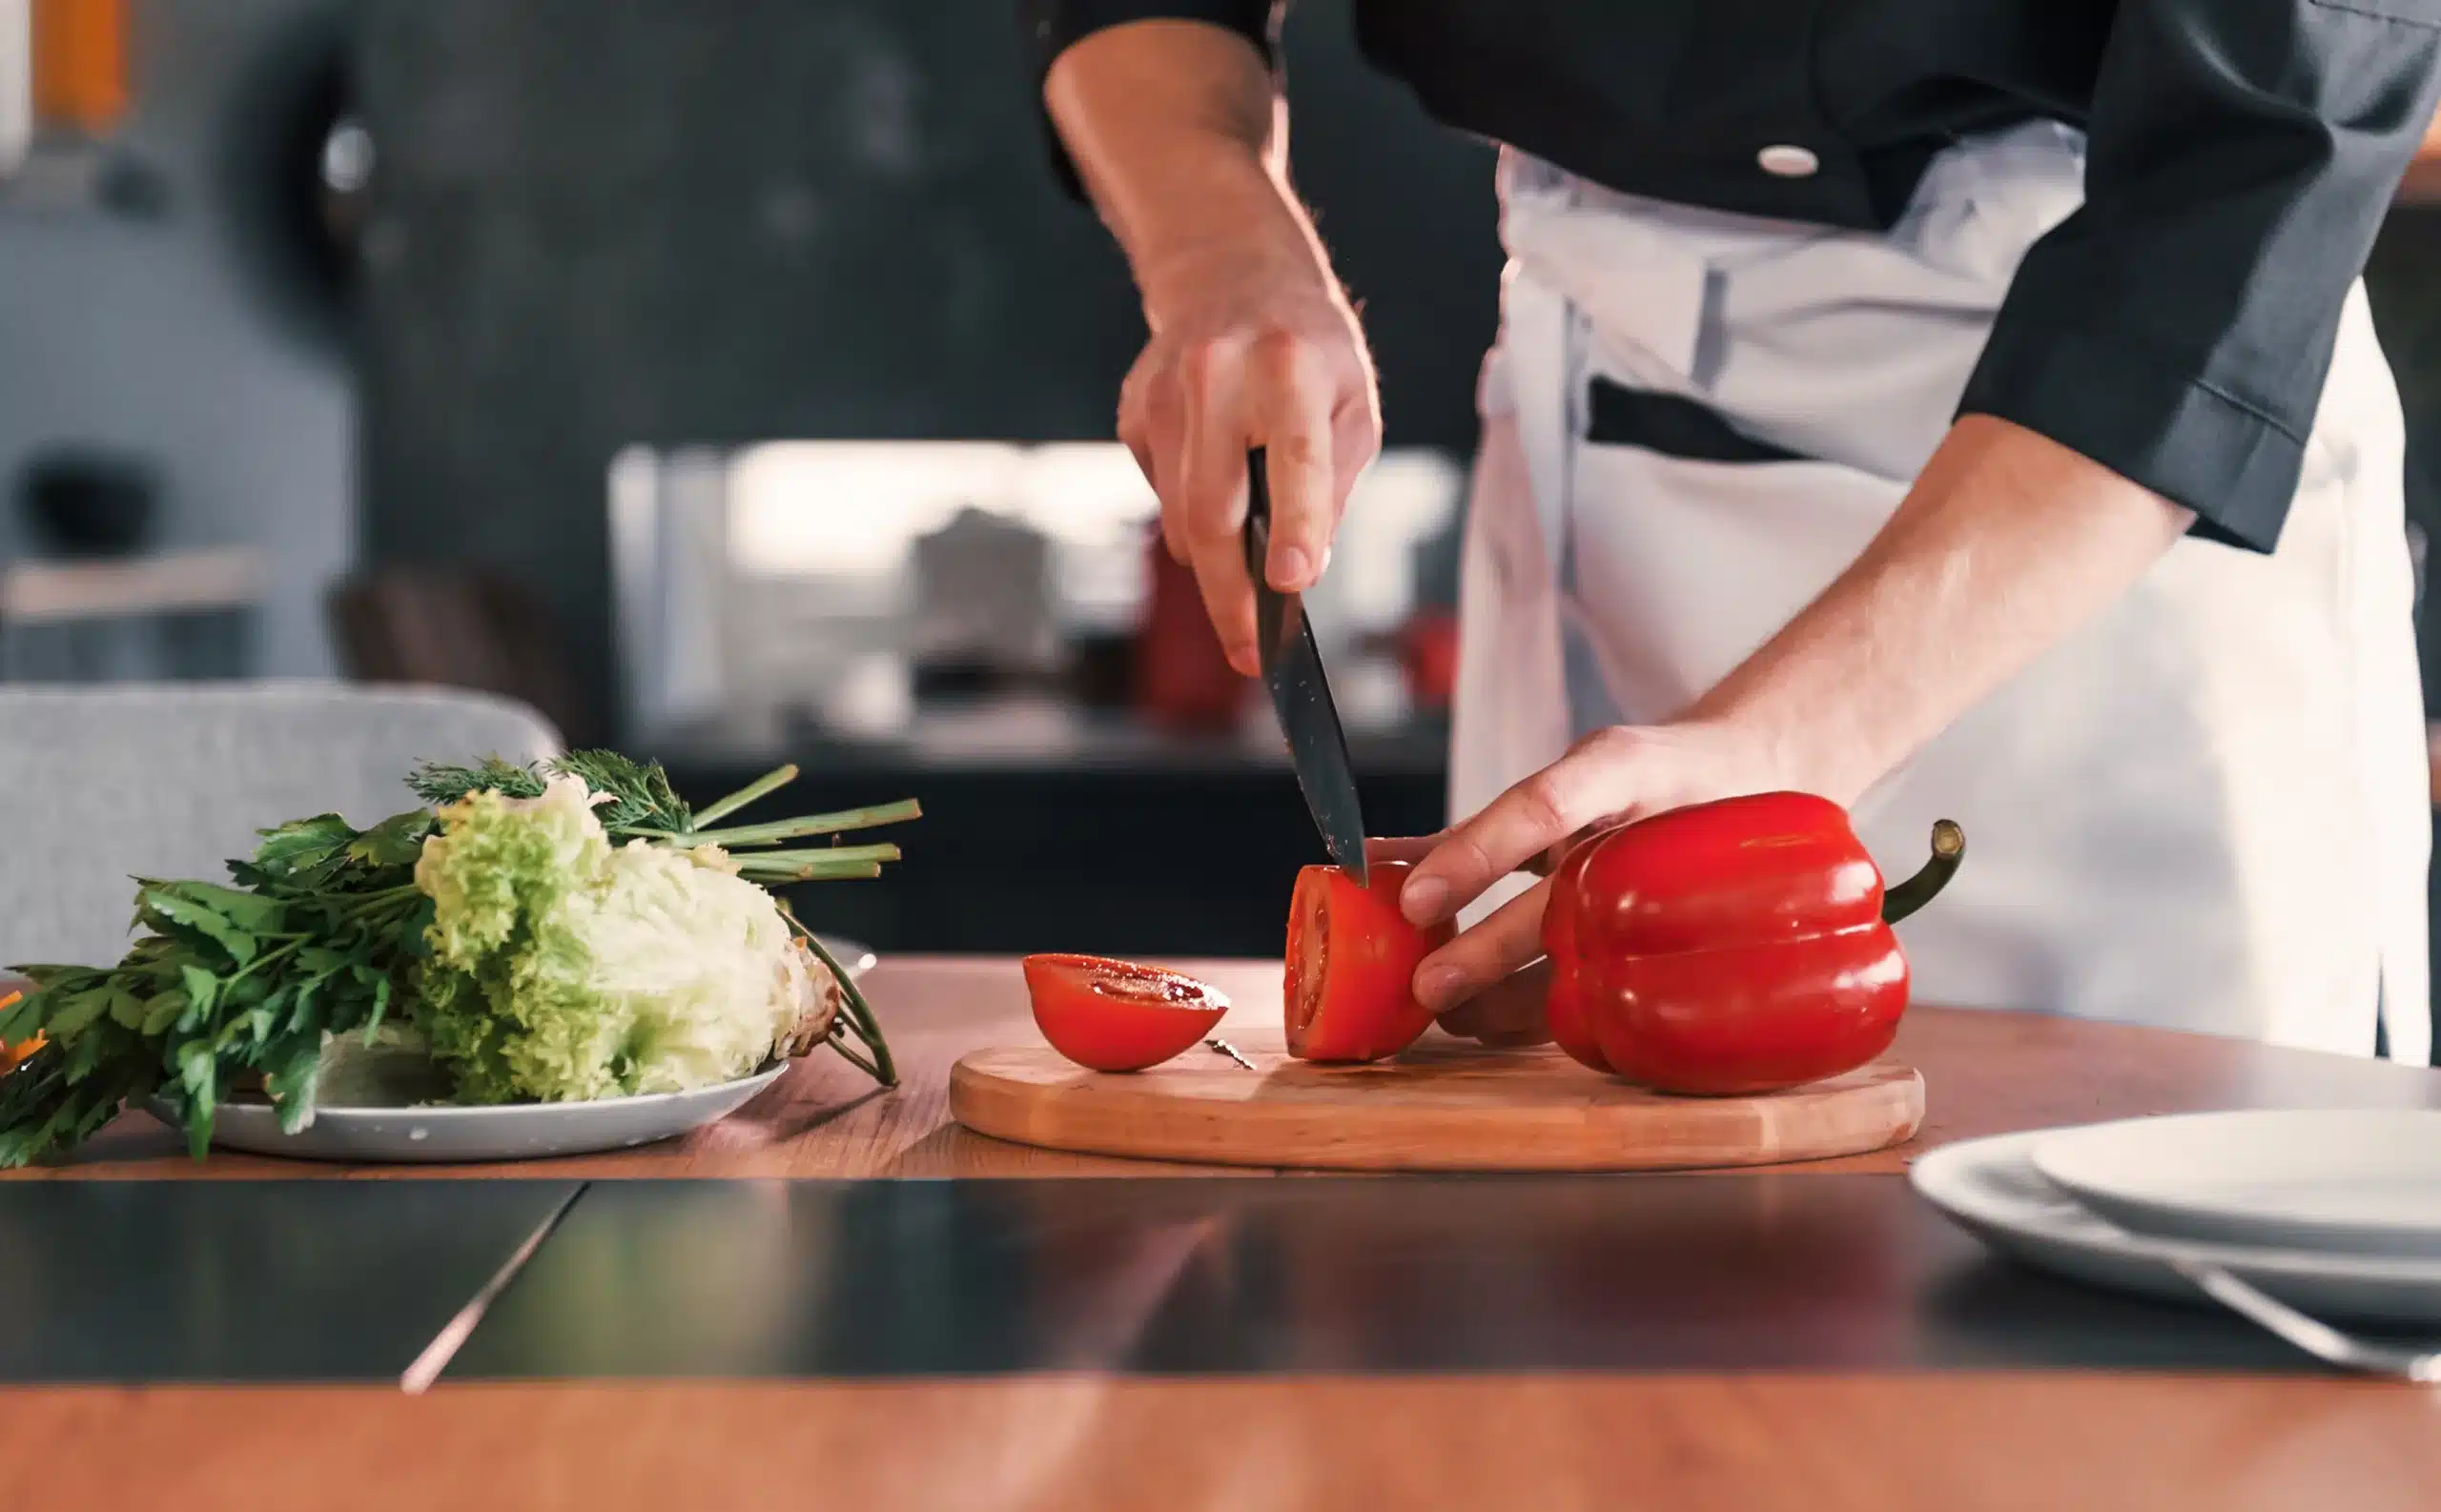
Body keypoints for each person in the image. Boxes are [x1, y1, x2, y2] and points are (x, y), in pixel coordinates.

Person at [1026, 3, 2441, 1060]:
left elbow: (2272, 145)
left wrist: (1784, 740)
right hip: (1598, 379)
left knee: (2177, 1396)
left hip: (2107, 482)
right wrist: (1218, 245)